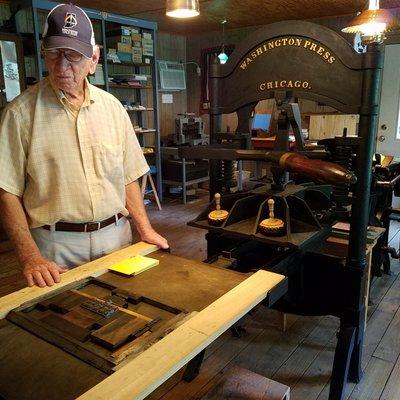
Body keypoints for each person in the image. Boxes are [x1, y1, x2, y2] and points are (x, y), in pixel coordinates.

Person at [0, 3, 169, 288]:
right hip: (55, 248)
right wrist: (31, 257)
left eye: (73, 55)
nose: (62, 66)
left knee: (127, 317)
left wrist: (145, 228)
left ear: (93, 58)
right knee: (61, 324)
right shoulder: (19, 114)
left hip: (117, 237)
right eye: (54, 53)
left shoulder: (113, 108)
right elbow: (7, 192)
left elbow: (128, 176)